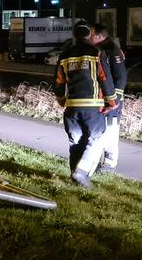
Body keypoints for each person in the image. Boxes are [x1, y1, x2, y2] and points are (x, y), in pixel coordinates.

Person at [54, 21, 118, 187]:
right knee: (94, 139)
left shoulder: (64, 55)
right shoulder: (96, 52)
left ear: (74, 35)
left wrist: (61, 99)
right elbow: (104, 77)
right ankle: (81, 173)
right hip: (92, 106)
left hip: (72, 106)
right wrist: (111, 101)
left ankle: (75, 177)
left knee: (75, 141)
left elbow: (59, 81)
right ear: (89, 34)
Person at [89, 23, 128, 174]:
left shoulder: (112, 50)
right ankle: (101, 162)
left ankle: (109, 164)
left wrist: (115, 100)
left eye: (91, 34)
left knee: (111, 131)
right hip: (104, 98)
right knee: (102, 130)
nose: (89, 37)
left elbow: (121, 77)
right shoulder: (103, 49)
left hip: (112, 100)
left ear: (98, 36)